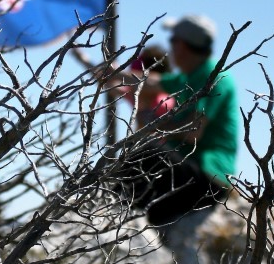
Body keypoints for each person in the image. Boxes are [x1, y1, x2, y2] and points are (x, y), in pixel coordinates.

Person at [77, 14, 238, 227]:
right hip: (189, 173)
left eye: (173, 41)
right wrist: (112, 73)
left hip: (207, 179)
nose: (170, 47)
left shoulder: (214, 78)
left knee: (144, 154)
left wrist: (153, 122)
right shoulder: (191, 76)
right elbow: (151, 81)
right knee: (140, 166)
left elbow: (192, 131)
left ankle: (104, 215)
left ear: (183, 45)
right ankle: (111, 215)